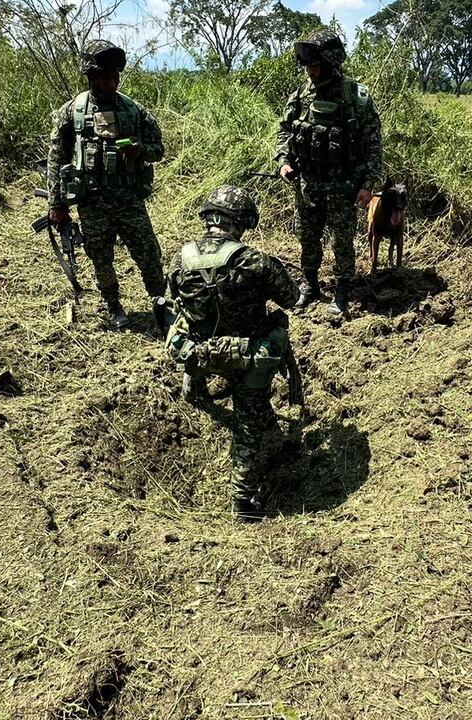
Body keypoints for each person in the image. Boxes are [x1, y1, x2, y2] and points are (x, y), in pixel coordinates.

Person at [165, 186, 301, 521]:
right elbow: (291, 297)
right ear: (240, 221)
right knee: (248, 425)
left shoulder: (180, 258)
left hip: (197, 352)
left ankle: (194, 387)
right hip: (247, 358)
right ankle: (242, 502)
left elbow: (176, 301)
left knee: (187, 324)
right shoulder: (253, 260)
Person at [46, 39, 166, 328]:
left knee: (149, 254)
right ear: (90, 76)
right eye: (104, 77)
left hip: (129, 199)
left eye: (115, 76)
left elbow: (158, 150)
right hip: (92, 202)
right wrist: (56, 203)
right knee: (101, 258)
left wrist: (140, 150)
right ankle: (114, 307)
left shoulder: (134, 110)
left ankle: (161, 303)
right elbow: (56, 158)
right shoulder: (73, 112)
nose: (111, 83)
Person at [275, 29, 384, 315]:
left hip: (343, 185)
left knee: (342, 241)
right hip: (308, 184)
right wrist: (283, 161)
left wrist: (368, 184)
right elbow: (284, 130)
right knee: (307, 238)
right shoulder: (301, 94)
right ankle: (310, 286)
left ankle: (342, 290)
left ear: (331, 63)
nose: (310, 71)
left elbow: (373, 143)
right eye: (307, 65)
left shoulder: (355, 95)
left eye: (315, 65)